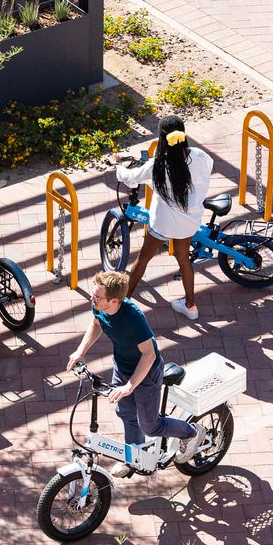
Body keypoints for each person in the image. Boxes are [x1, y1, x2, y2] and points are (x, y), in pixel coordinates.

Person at [66, 270, 205, 478]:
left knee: (150, 425)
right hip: (122, 367)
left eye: (97, 297)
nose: (92, 299)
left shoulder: (133, 317)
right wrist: (80, 351)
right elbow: (96, 323)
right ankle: (135, 457)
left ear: (114, 300)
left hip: (146, 373)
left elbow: (149, 355)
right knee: (126, 414)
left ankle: (192, 433)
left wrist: (130, 386)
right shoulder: (99, 305)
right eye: (92, 295)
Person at [116, 115, 214, 320]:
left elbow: (131, 179)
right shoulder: (200, 156)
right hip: (189, 224)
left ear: (162, 139)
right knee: (183, 259)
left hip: (162, 224)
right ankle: (190, 306)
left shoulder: (157, 165)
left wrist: (118, 168)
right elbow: (206, 169)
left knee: (142, 260)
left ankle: (123, 306)